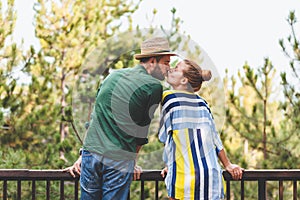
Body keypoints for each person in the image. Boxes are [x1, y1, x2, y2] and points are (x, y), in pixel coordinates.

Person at [64, 37, 177, 199]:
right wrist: (133, 162)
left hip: (91, 155)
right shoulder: (153, 86)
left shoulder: (112, 76)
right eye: (166, 62)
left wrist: (84, 155)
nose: (168, 68)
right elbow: (141, 132)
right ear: (153, 61)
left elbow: (95, 118)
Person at [159, 59, 244, 200]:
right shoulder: (202, 103)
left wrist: (169, 165)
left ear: (184, 80)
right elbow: (215, 138)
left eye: (176, 68)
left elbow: (167, 138)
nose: (171, 69)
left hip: (183, 177)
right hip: (211, 179)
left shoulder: (169, 98)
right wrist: (227, 164)